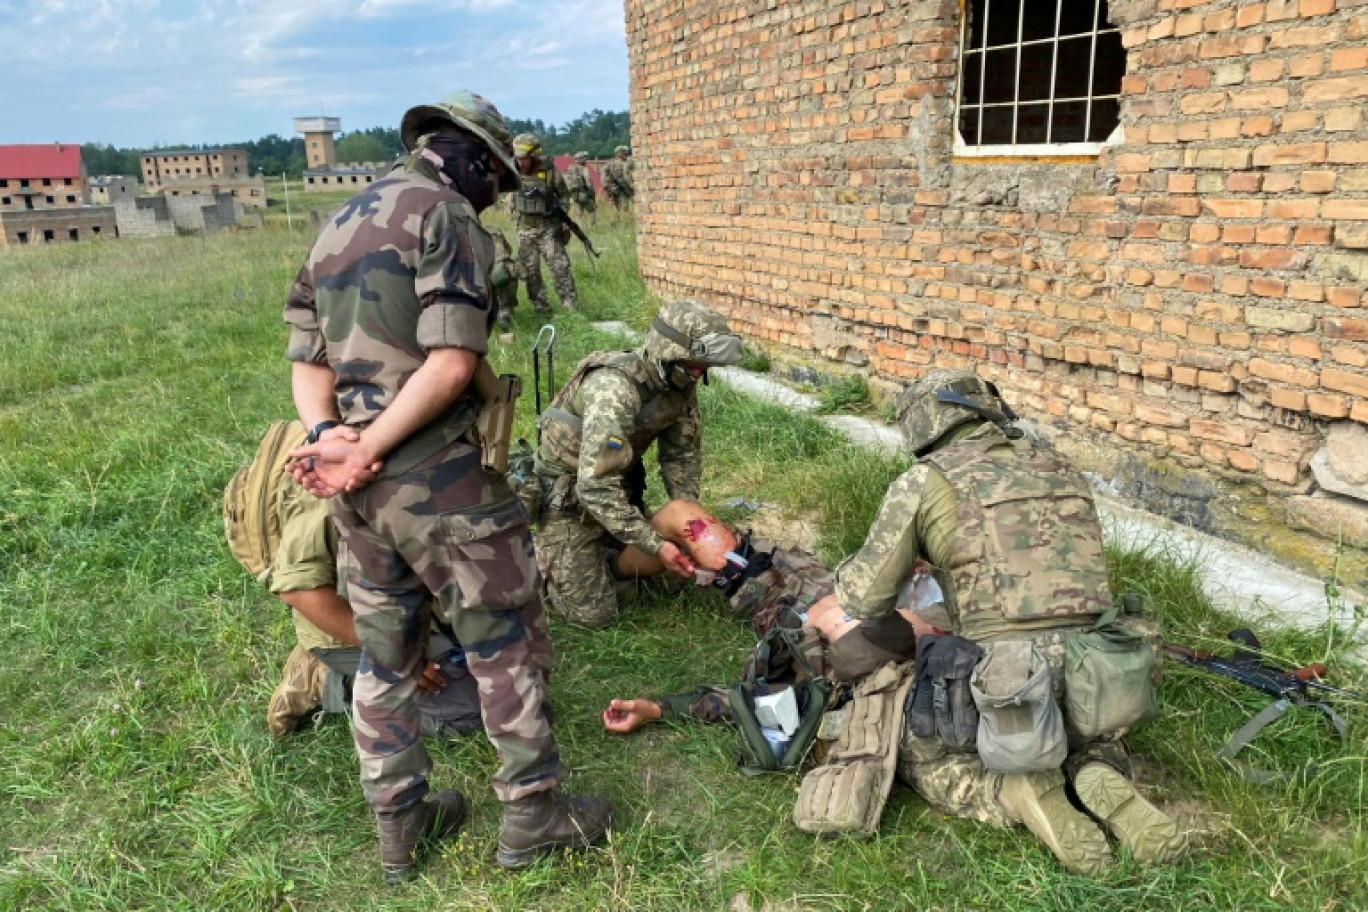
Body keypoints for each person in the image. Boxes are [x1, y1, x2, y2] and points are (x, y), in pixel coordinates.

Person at [282, 91, 609, 882]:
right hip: (436, 479)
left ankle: (401, 828)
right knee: (503, 642)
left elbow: (307, 362)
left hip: (358, 495)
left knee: (386, 660)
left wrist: (333, 441)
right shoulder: (446, 217)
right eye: (494, 173)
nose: (497, 189)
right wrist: (372, 448)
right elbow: (452, 362)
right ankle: (534, 817)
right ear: (463, 153)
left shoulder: (336, 221)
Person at [833, 369, 1186, 875]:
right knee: (1091, 741)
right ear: (988, 411)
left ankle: (1012, 792)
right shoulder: (1062, 467)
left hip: (1012, 683)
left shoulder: (926, 480)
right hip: (1104, 675)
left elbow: (865, 598)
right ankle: (1098, 773)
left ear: (922, 429)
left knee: (919, 753)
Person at [225, 420, 484, 741]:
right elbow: (300, 590)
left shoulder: (394, 430)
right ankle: (325, 680)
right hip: (353, 617)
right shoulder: (328, 478)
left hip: (401, 589)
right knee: (471, 709)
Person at [532, 299, 745, 628]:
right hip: (568, 499)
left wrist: (684, 524)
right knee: (594, 616)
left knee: (670, 579)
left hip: (617, 489)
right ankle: (541, 553)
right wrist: (655, 545)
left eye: (704, 366)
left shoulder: (678, 384)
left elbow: (682, 457)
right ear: (668, 352)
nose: (699, 373)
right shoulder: (614, 391)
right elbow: (594, 487)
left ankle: (609, 556)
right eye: (693, 364)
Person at [509, 133, 577, 313]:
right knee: (531, 272)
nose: (521, 163)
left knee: (560, 266)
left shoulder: (548, 170)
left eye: (525, 158)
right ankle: (541, 308)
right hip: (524, 229)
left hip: (548, 228)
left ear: (533, 155)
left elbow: (564, 194)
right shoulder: (512, 171)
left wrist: (564, 219)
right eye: (518, 158)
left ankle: (569, 306)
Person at [563, 152, 597, 224]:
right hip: (584, 194)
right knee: (592, 210)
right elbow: (589, 183)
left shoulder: (569, 169)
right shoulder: (584, 169)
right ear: (580, 159)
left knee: (578, 213)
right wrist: (592, 193)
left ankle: (579, 227)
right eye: (585, 158)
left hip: (574, 195)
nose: (586, 160)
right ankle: (592, 226)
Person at [602, 145, 634, 214]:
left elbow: (603, 176)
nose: (626, 155)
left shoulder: (609, 163)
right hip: (622, 189)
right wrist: (632, 187)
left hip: (611, 189)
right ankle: (624, 222)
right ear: (621, 153)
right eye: (625, 153)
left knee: (615, 208)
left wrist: (606, 188)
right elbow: (626, 177)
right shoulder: (623, 163)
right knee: (624, 208)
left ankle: (615, 222)